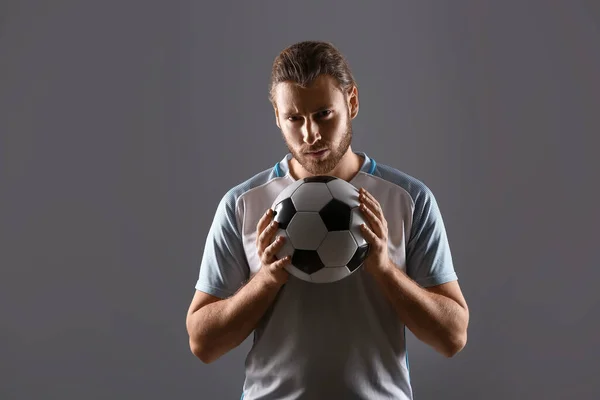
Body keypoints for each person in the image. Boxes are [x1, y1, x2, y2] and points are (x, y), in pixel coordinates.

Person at [185, 40, 469, 400]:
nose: (311, 135)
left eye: (323, 114)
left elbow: (453, 337)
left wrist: (384, 269)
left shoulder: (408, 200)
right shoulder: (243, 204)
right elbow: (202, 342)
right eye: (294, 118)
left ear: (351, 102)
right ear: (276, 116)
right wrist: (265, 282)